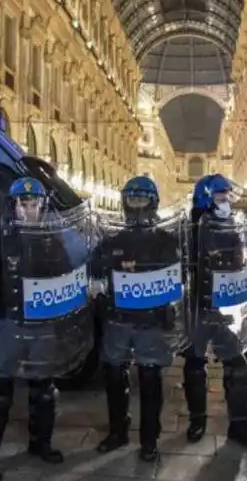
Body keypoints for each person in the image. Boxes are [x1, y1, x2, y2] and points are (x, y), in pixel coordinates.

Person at [0, 177, 94, 481]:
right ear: (13, 205)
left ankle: (40, 443)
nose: (28, 209)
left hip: (44, 325)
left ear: (42, 205)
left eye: (33, 203)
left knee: (44, 391)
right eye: (22, 203)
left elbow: (70, 273)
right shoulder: (0, 236)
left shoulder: (54, 236)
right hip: (10, 322)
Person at [90, 176, 187, 461]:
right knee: (113, 376)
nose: (137, 206)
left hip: (150, 322)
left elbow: (177, 279)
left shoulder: (166, 242)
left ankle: (149, 438)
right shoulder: (111, 241)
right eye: (132, 200)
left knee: (150, 378)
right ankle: (118, 431)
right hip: (118, 319)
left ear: (153, 203)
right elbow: (95, 273)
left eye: (142, 200)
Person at [182, 174, 247, 448]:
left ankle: (239, 425)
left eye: (227, 195)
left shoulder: (230, 227)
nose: (226, 200)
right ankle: (197, 420)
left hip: (224, 309)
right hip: (197, 308)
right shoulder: (190, 229)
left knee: (238, 368)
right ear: (206, 197)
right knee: (194, 367)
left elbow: (240, 263)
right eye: (220, 195)